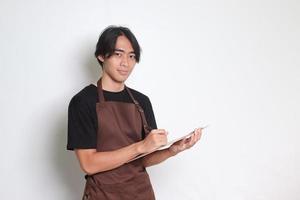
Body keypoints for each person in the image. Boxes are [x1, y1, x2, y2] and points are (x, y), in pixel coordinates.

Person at [67, 25, 203, 200]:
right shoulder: (83, 102)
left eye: (131, 56)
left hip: (141, 194)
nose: (126, 63)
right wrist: (140, 146)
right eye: (118, 54)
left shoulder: (141, 101)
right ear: (101, 55)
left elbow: (143, 159)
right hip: (103, 195)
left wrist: (172, 150)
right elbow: (89, 164)